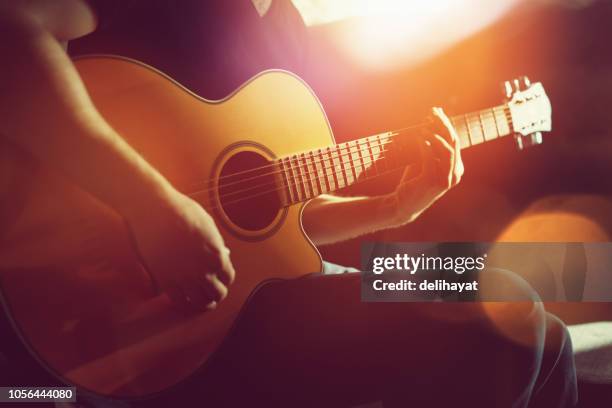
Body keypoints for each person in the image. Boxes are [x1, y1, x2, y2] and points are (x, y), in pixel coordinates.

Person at [0, 1, 577, 407]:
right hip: (165, 328)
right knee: (499, 305)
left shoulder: (287, 28)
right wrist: (147, 204)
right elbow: (13, 26)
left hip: (253, 297)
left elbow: (273, 219)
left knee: (534, 324)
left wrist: (394, 208)